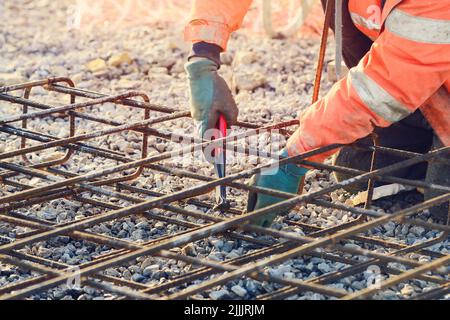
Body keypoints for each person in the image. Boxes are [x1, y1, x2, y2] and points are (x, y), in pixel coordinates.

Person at [184, 0, 450, 226]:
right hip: (420, 85)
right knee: (356, 171)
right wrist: (204, 53)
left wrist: (295, 159)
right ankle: (427, 148)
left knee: (443, 211)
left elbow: (384, 85)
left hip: (406, 76)